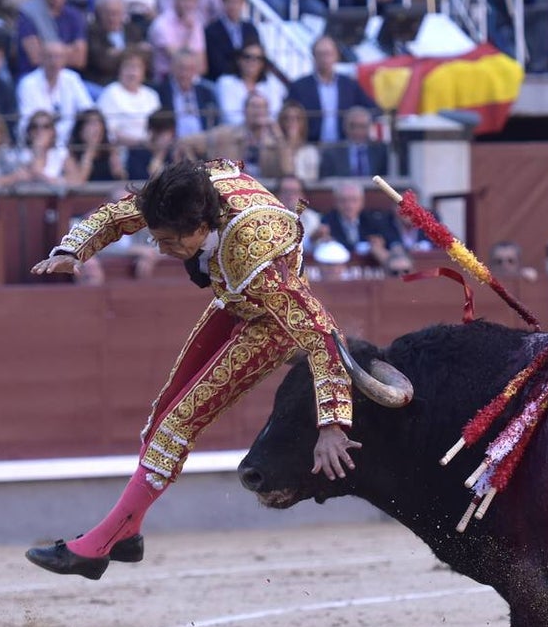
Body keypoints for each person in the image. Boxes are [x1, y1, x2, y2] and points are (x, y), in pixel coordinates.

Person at [24, 158, 364, 579]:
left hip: (271, 322)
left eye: (168, 241)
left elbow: (320, 331)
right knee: (163, 413)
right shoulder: (185, 197)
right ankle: (128, 535)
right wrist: (72, 250)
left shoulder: (254, 252)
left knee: (177, 425)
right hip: (236, 298)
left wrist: (332, 425)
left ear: (201, 228)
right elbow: (117, 214)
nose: (160, 248)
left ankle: (95, 548)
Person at [286, 36, 377, 145]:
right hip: (311, 146)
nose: (324, 58)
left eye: (328, 54)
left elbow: (372, 109)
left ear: (336, 56)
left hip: (343, 147)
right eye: (320, 54)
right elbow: (286, 115)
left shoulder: (349, 85)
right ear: (313, 57)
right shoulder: (299, 87)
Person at [15, 39, 94, 144]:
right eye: (49, 56)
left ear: (64, 60)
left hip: (69, 141)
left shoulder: (72, 79)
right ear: (42, 58)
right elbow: (26, 120)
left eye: (58, 57)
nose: (54, 61)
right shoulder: (28, 83)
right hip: (38, 140)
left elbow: (87, 109)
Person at [16, 0, 88, 76]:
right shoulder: (28, 13)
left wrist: (49, 52)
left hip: (67, 78)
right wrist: (69, 50)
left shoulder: (75, 15)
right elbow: (35, 57)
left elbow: (80, 59)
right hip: (35, 77)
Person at [85, 0, 151, 89]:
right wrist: (133, 51)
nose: (112, 18)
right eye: (108, 13)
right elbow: (102, 63)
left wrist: (117, 53)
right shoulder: (92, 32)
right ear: (99, 13)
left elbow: (145, 58)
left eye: (116, 13)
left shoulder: (132, 30)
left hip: (134, 81)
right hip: (103, 83)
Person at [96, 47, 160, 147]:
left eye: (137, 67)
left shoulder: (151, 95)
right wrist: (139, 142)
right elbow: (109, 133)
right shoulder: (111, 93)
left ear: (144, 72)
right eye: (128, 67)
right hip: (122, 149)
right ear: (119, 70)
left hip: (150, 147)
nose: (132, 72)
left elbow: (157, 127)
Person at [149, 0, 208, 83]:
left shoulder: (196, 23)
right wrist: (189, 33)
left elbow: (202, 67)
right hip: (165, 81)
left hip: (192, 80)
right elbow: (180, 62)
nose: (189, 4)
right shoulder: (161, 24)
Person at [323, 180, 392, 267]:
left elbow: (384, 242)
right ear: (336, 203)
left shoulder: (371, 220)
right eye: (344, 201)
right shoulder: (327, 221)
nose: (349, 205)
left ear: (362, 202)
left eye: (354, 200)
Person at [215, 43, 286, 126]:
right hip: (234, 135)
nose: (252, 62)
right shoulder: (226, 83)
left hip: (265, 134)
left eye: (258, 58)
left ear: (263, 63)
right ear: (239, 60)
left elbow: (275, 114)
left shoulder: (272, 84)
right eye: (247, 57)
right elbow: (230, 117)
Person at [156, 48, 219, 139]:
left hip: (202, 144)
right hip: (173, 144)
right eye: (181, 68)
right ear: (172, 68)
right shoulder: (161, 92)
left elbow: (214, 122)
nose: (185, 74)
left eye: (190, 69)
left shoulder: (206, 93)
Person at [204, 0, 262, 82]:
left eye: (237, 1)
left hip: (250, 80)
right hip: (223, 80)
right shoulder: (211, 30)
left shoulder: (250, 29)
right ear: (223, 2)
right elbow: (216, 63)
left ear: (243, 4)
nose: (233, 5)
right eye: (230, 1)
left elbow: (256, 54)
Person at [321, 105, 389, 177]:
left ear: (369, 127)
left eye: (362, 126)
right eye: (353, 126)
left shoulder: (380, 151)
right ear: (345, 127)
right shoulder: (332, 152)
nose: (358, 131)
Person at [63, 107, 126, 184]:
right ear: (81, 130)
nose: (97, 128)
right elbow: (79, 182)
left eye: (99, 123)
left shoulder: (110, 151)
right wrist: (89, 153)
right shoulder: (72, 155)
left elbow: (122, 179)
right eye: (92, 123)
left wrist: (118, 168)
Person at [124, 109, 176, 180]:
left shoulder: (173, 154)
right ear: (151, 131)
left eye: (171, 132)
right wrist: (159, 155)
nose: (167, 137)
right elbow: (142, 182)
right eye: (161, 132)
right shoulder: (136, 153)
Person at [19, 108, 68, 183]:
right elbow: (33, 174)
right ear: (29, 132)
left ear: (53, 132)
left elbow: (76, 181)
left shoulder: (61, 153)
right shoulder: (21, 154)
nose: (40, 131)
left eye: (46, 126)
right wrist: (38, 150)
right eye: (35, 126)